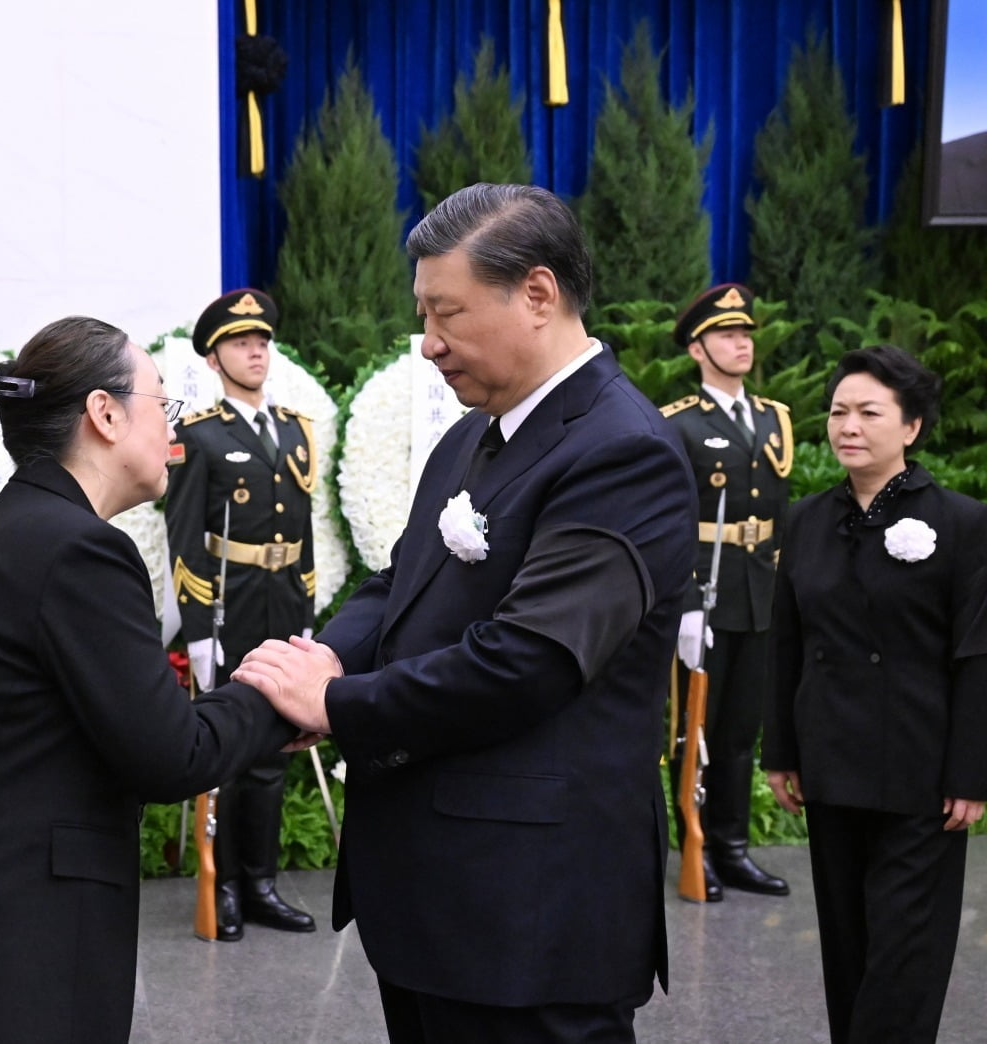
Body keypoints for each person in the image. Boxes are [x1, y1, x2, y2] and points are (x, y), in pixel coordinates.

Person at [234, 183, 697, 1042]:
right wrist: (327, 660)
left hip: (531, 918)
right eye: (422, 314)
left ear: (537, 294)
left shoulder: (621, 451)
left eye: (447, 313)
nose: (428, 343)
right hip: (439, 905)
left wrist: (334, 707)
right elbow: (397, 583)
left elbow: (529, 660)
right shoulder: (474, 433)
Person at [0, 317, 295, 1044]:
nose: (173, 431)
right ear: (104, 414)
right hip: (14, 949)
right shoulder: (79, 550)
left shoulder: (20, 524)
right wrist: (279, 692)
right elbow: (173, 757)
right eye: (160, 406)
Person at [763, 344, 987, 1044]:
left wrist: (971, 772)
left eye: (868, 412)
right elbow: (786, 640)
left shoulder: (960, 522)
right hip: (832, 762)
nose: (847, 425)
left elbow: (977, 652)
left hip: (920, 771)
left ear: (911, 427)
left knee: (904, 956)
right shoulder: (804, 521)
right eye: (837, 411)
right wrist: (782, 751)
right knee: (849, 949)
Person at [164, 289, 317, 941]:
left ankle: (260, 883)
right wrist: (197, 631)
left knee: (274, 748)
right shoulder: (198, 435)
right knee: (228, 750)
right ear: (213, 357)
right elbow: (183, 536)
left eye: (262, 342)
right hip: (227, 607)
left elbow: (303, 526)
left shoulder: (294, 427)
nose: (255, 351)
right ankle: (222, 884)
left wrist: (306, 612)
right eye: (239, 343)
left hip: (281, 601)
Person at [660, 282, 792, 901]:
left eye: (746, 334)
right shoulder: (679, 425)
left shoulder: (773, 419)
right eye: (726, 334)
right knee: (695, 729)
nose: (741, 343)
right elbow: (668, 522)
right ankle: (697, 845)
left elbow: (778, 516)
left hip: (757, 592)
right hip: (704, 595)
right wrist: (684, 604)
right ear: (697, 348)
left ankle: (734, 847)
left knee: (741, 730)